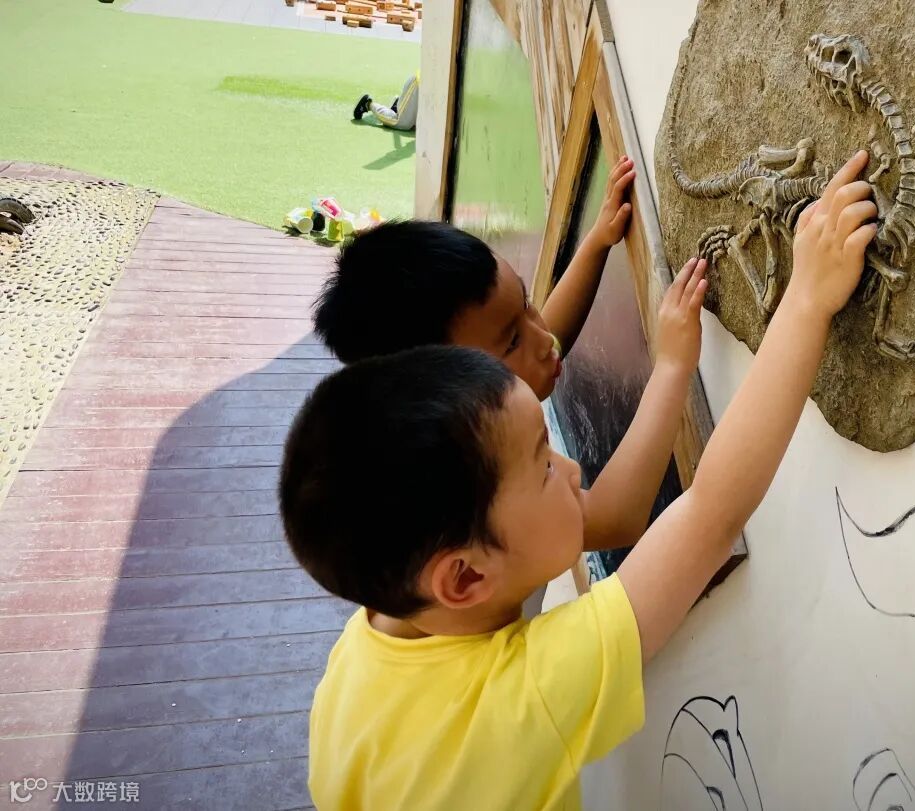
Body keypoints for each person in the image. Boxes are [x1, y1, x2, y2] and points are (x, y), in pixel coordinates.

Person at [280, 151, 878, 810]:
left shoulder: (373, 632)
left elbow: (526, 366)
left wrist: (593, 247)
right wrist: (807, 298)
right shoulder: (521, 701)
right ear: (465, 578)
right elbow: (710, 514)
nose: (570, 469)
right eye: (544, 466)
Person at [312, 158, 700, 556]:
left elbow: (546, 337)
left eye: (526, 302)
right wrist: (672, 365)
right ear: (442, 394)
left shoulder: (473, 398)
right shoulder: (474, 489)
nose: (543, 339)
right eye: (512, 341)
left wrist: (598, 240)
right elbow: (611, 518)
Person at [354, 70, 419, 131]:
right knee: (403, 123)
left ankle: (398, 107)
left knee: (416, 126)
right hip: (418, 85)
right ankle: (368, 104)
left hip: (422, 89)